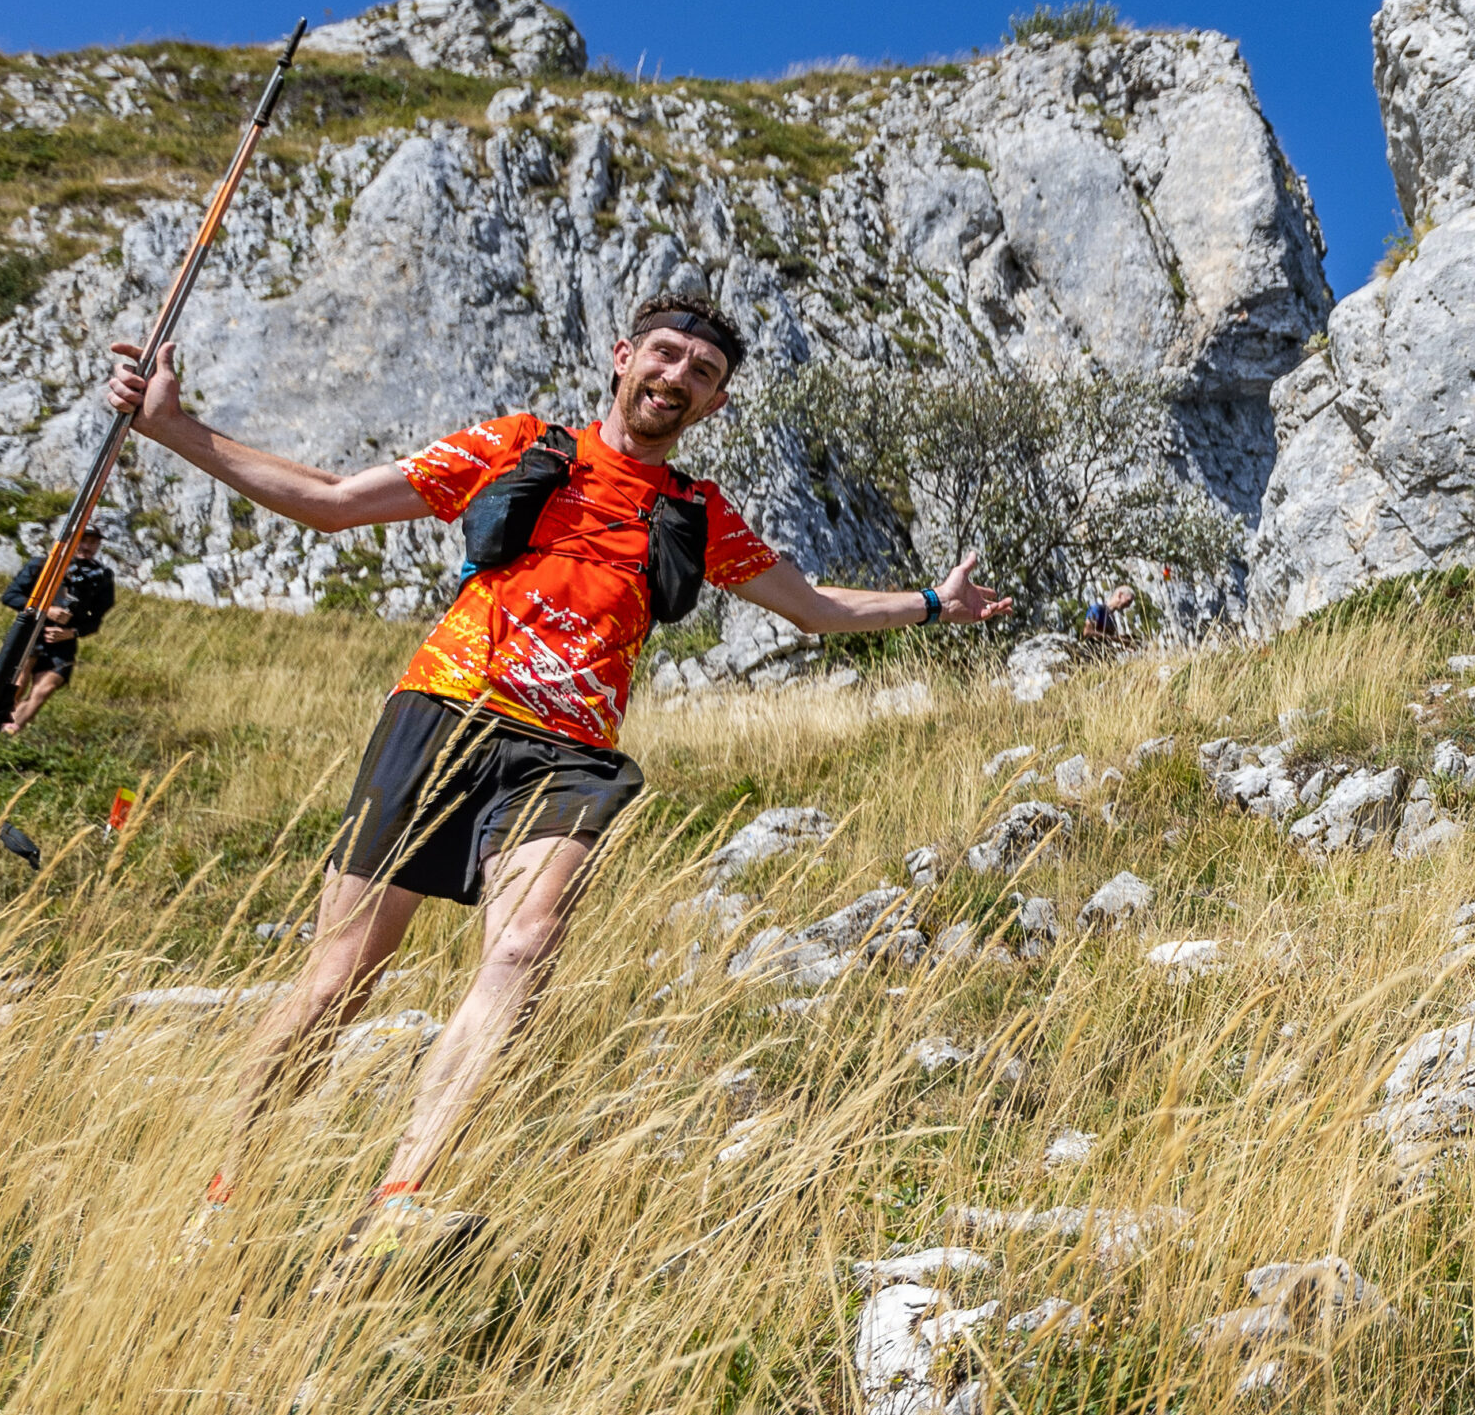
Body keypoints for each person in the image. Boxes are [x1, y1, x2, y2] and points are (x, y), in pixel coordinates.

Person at [104, 291, 1012, 1281]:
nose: (678, 378)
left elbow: (810, 608)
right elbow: (330, 502)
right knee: (338, 979)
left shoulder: (694, 514)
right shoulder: (524, 448)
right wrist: (173, 428)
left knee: (524, 949)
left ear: (714, 405)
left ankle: (398, 1204)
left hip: (569, 753)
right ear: (623, 357)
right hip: (444, 714)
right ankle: (225, 1198)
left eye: (702, 374)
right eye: (665, 356)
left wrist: (931, 603)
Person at [0, 524, 116, 733]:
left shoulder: (102, 576)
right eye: (82, 540)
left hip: (64, 641)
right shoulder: (41, 565)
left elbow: (96, 619)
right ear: (69, 541)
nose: (86, 547)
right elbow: (10, 596)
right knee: (18, 682)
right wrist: (45, 610)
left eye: (92, 542)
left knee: (46, 688)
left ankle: (11, 732)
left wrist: (72, 632)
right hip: (32, 631)